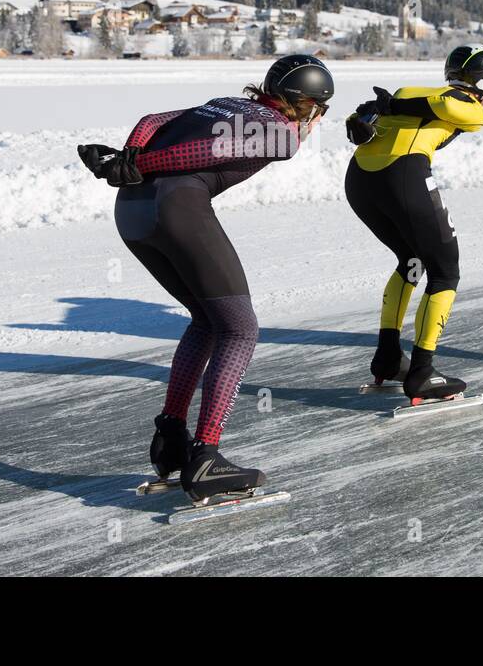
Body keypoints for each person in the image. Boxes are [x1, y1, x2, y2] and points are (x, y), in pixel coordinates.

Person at [78, 54, 334, 501]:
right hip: (177, 209)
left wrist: (131, 157)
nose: (318, 121)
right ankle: (206, 454)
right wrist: (143, 163)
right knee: (239, 329)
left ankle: (171, 437)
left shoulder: (225, 103)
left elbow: (151, 118)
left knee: (206, 319)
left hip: (133, 214)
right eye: (320, 110)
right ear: (306, 105)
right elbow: (206, 152)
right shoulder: (283, 134)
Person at [343, 45, 483, 401]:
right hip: (402, 178)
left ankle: (388, 356)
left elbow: (363, 121)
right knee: (445, 271)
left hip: (360, 180)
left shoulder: (407, 91)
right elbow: (451, 107)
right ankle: (423, 372)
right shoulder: (469, 105)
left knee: (411, 260)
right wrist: (385, 110)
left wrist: (378, 112)